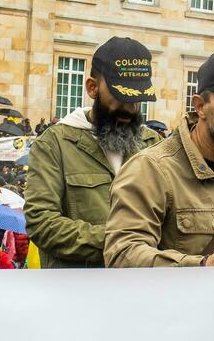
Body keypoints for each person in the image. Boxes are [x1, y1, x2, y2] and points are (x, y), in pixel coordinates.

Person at [104, 49, 214, 270]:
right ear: (200, 106)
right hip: (172, 305)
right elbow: (122, 254)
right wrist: (202, 265)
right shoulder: (151, 169)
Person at [24, 37, 161, 268]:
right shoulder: (54, 144)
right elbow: (41, 221)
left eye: (138, 98)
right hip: (77, 292)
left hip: (141, 287)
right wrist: (119, 243)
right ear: (92, 88)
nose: (131, 108)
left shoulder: (153, 144)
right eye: (122, 96)